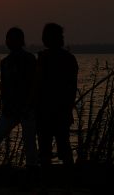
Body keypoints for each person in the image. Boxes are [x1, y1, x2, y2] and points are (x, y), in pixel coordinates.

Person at [0, 27, 38, 169]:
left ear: (21, 41)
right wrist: (5, 104)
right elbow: (4, 85)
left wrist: (29, 104)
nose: (10, 41)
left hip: (27, 107)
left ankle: (32, 167)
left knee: (29, 139)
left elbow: (33, 83)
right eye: (8, 38)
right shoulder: (5, 62)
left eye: (13, 38)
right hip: (11, 107)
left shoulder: (29, 59)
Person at [34, 22, 78, 167]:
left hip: (47, 111)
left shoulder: (43, 58)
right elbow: (72, 88)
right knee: (64, 148)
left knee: (45, 150)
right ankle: (67, 187)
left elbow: (38, 85)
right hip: (60, 111)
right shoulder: (69, 59)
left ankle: (46, 187)